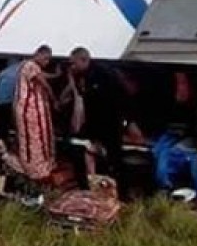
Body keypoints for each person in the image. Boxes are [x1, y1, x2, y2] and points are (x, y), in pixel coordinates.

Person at [67, 48, 128, 196]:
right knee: (80, 148)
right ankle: (91, 186)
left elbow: (108, 104)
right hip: (96, 124)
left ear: (83, 60)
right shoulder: (85, 76)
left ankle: (118, 192)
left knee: (113, 158)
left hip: (110, 124)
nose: (72, 67)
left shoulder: (103, 75)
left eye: (74, 63)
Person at [9, 45, 57, 182]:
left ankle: (36, 166)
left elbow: (42, 75)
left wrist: (56, 75)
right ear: (39, 54)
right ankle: (35, 169)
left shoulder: (27, 65)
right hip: (29, 110)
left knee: (33, 138)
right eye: (46, 58)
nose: (46, 62)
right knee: (33, 139)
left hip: (27, 108)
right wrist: (53, 98)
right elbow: (43, 82)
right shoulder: (31, 65)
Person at [0, 59, 22, 147]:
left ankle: (0, 142)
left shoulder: (3, 73)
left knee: (1, 125)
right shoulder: (20, 73)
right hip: (10, 101)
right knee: (15, 124)